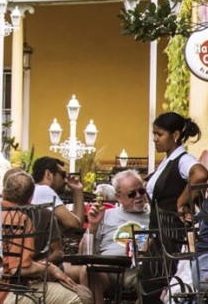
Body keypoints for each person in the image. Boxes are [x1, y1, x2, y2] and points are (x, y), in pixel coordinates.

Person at [143, 112, 208, 303]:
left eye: (159, 134)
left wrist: (182, 200)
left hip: (172, 237)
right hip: (159, 235)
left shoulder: (183, 159)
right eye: (154, 134)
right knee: (149, 286)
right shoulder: (168, 160)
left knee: (155, 287)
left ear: (176, 135)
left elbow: (201, 174)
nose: (155, 139)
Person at [0, 170, 87, 304]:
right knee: (80, 298)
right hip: (8, 290)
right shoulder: (22, 218)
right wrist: (48, 268)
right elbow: (19, 268)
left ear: (4, 192)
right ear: (31, 197)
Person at [84, 169, 149, 302]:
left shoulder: (153, 216)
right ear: (118, 196)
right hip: (107, 270)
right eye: (132, 194)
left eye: (141, 191)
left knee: (152, 278)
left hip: (138, 270)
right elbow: (84, 252)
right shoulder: (106, 215)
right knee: (89, 271)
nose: (138, 196)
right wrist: (92, 227)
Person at [32, 156, 85, 231]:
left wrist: (77, 190)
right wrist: (78, 191)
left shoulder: (35, 189)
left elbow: (75, 224)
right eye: (63, 175)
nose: (66, 181)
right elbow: (75, 225)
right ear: (48, 174)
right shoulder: (44, 190)